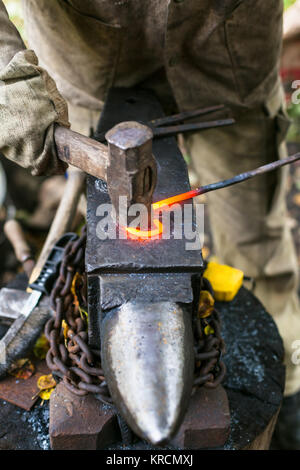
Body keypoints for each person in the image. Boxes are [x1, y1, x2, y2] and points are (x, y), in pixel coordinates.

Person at [0, 0, 300, 449]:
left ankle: (290, 381)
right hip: (90, 69)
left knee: (256, 237)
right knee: (101, 236)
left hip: (228, 67)